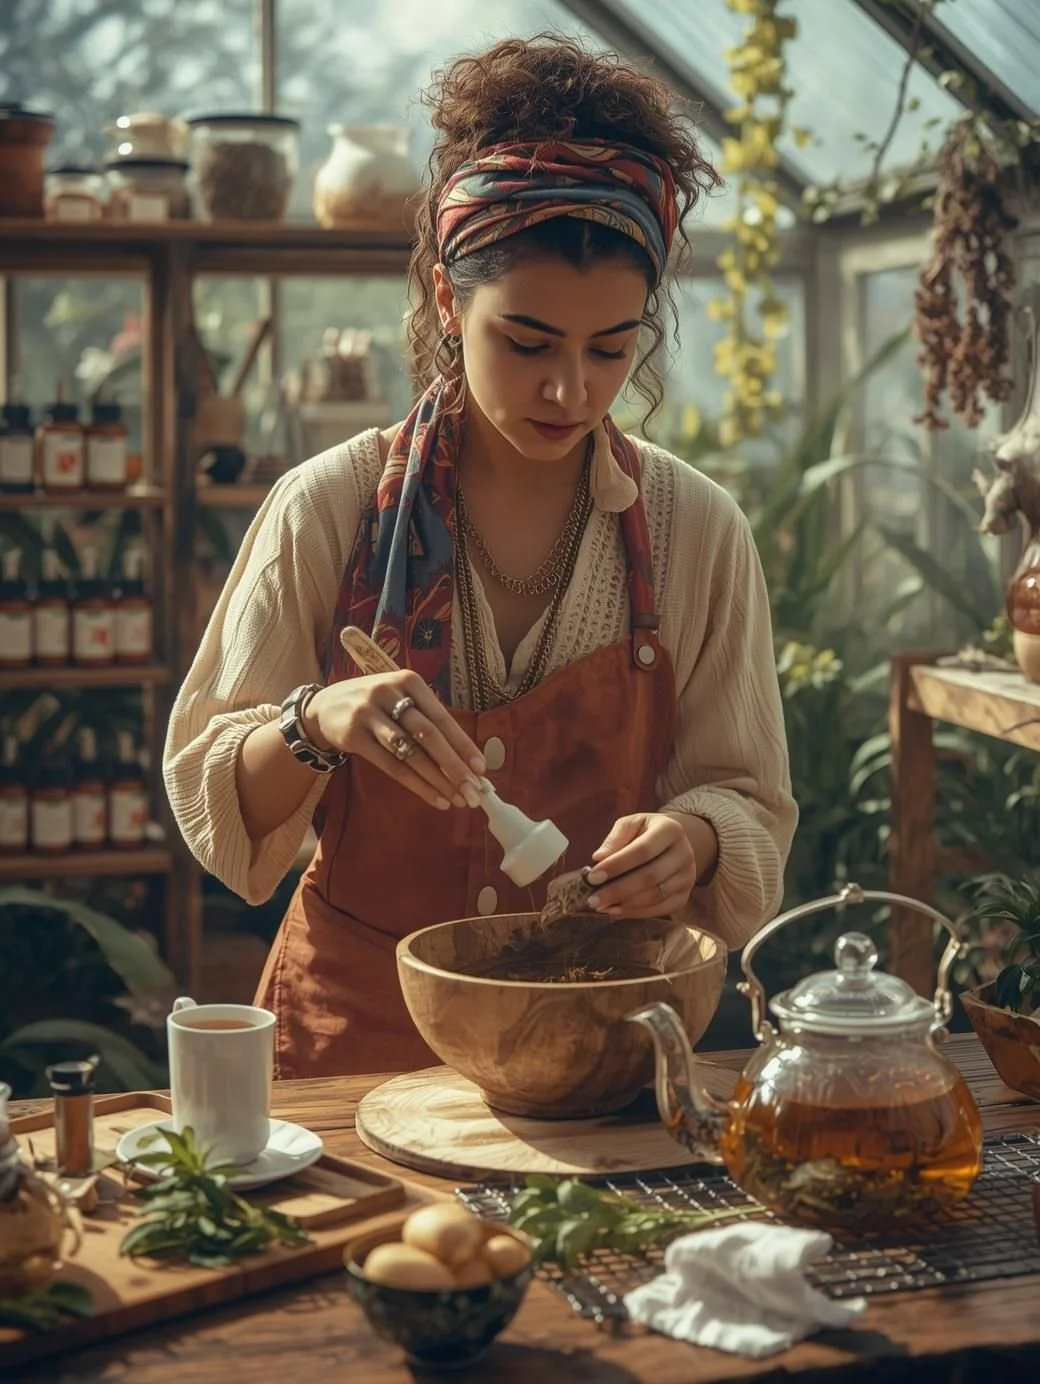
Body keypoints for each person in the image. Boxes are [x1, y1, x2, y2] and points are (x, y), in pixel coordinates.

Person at [163, 35, 797, 1079]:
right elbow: (216, 800)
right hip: (356, 1044)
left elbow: (746, 797)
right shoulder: (330, 508)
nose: (569, 392)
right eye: (528, 341)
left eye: (609, 349)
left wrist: (694, 840)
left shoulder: (691, 531)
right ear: (450, 306)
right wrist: (316, 719)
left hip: (591, 1037)